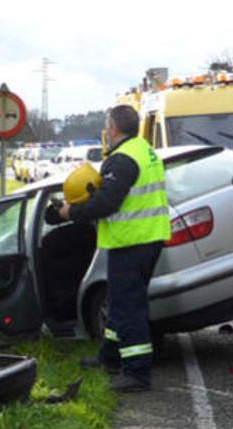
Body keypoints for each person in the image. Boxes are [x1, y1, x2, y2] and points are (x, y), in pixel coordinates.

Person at [58, 105, 170, 392]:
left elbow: (107, 204)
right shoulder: (143, 150)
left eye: (108, 125)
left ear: (114, 128)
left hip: (132, 241)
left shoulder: (122, 160)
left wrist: (71, 212)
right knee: (119, 303)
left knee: (128, 307)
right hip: (145, 238)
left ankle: (137, 373)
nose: (107, 131)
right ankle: (110, 357)